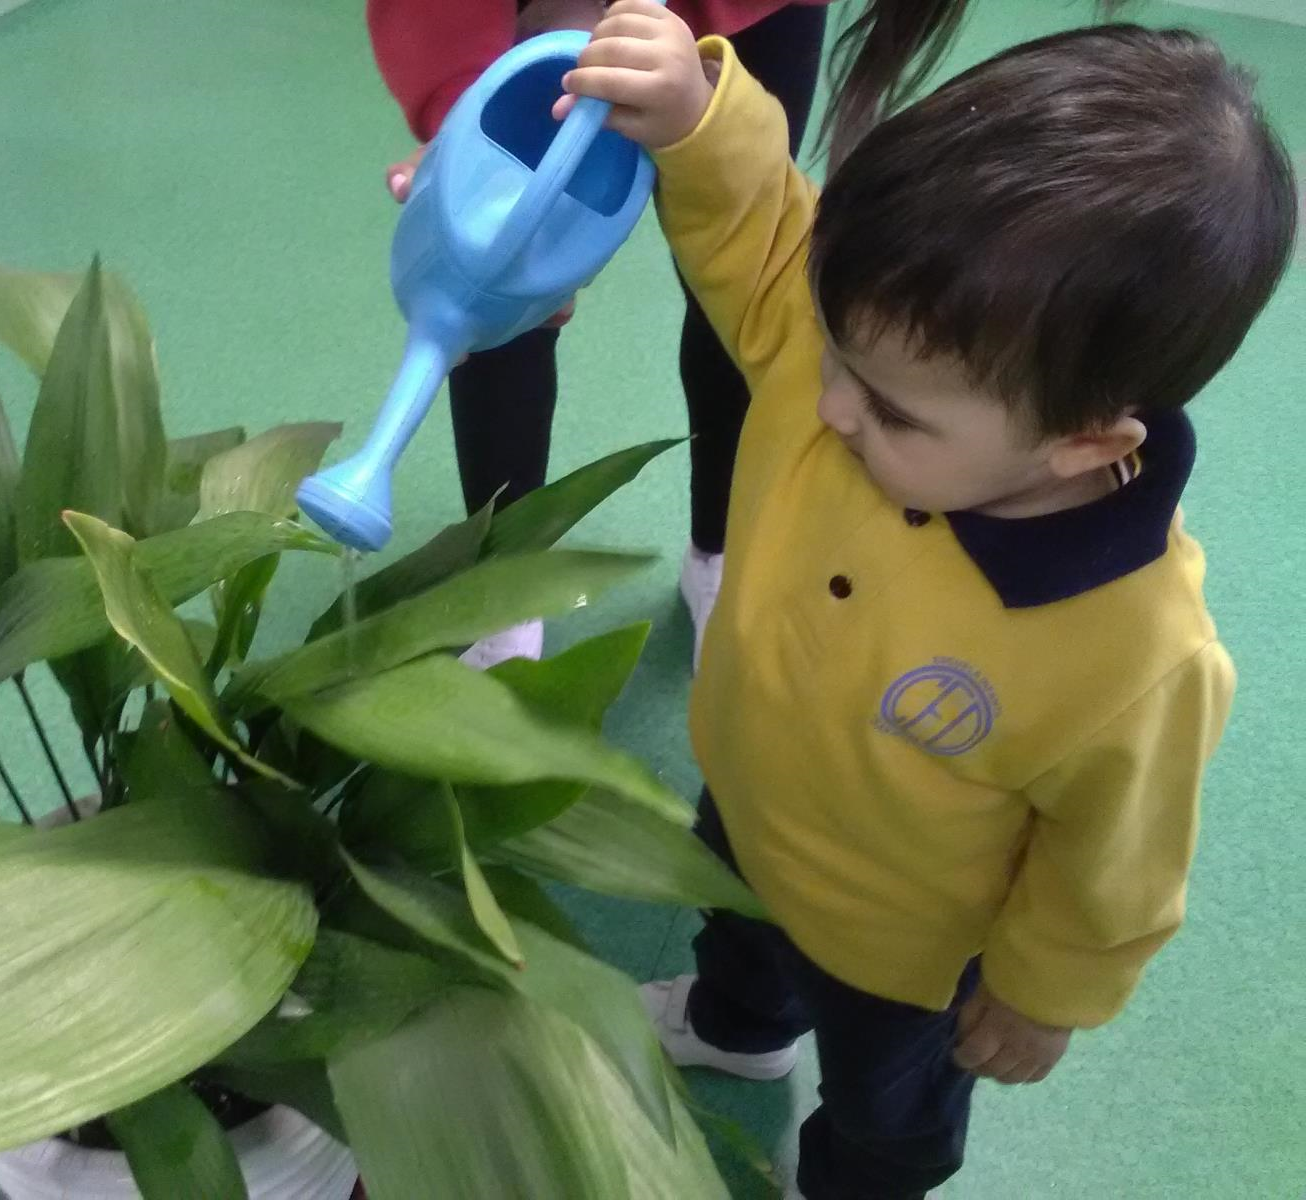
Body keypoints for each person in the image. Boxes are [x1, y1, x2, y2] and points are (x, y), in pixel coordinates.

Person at [555, 3, 1296, 1196]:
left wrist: (1045, 994)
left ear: (1079, 443)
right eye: (835, 354)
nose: (827, 402)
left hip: (903, 954)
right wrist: (702, 118)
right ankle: (737, 1028)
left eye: (892, 410)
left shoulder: (1135, 652)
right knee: (736, 935)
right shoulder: (856, 360)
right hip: (748, 803)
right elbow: (764, 240)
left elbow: (1112, 861)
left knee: (884, 1110)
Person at [367, 0, 982, 670]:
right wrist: (467, 103)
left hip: (749, 15)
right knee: (499, 272)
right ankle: (509, 587)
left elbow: (749, 235)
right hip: (500, 14)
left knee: (734, 284)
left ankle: (717, 553)